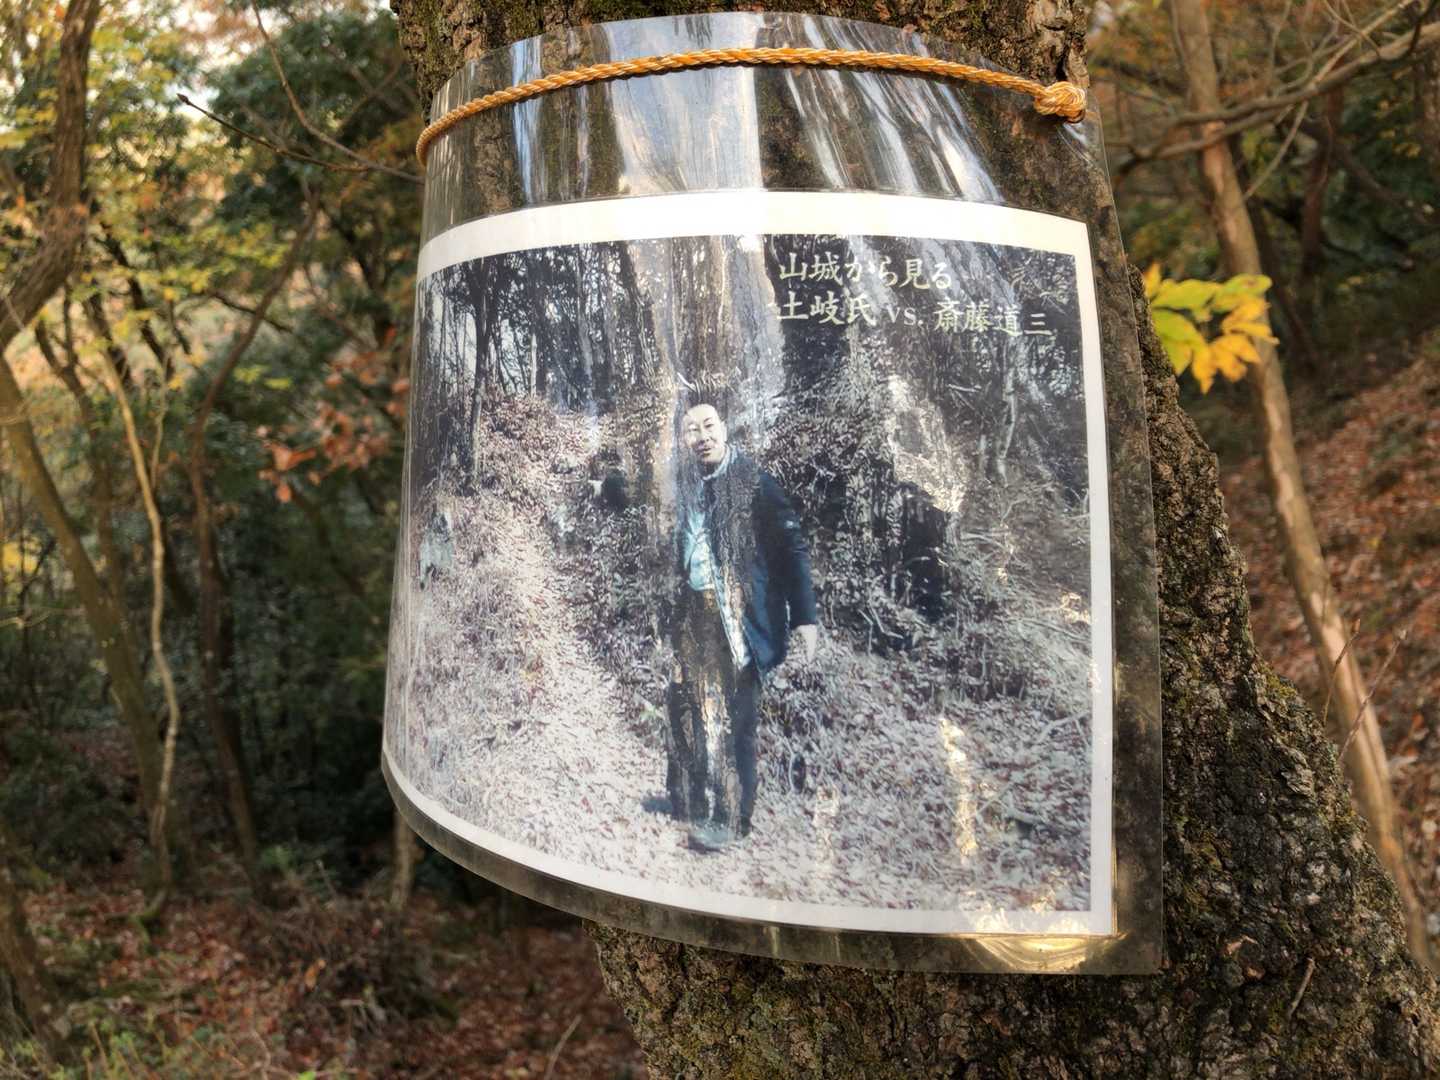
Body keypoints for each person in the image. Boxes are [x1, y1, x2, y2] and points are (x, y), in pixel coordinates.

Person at [667, 402, 818, 852]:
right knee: (695, 713)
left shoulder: (754, 482)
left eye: (709, 426)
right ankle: (694, 802)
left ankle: (734, 819)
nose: (702, 437)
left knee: (738, 724)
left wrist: (805, 617)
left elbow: (791, 547)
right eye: (692, 430)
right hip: (699, 622)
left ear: (725, 429)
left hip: (740, 625)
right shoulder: (689, 485)